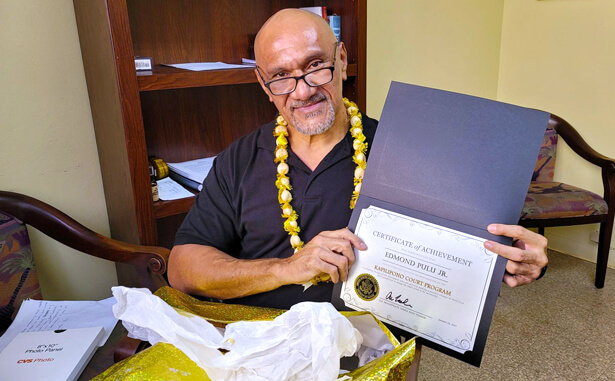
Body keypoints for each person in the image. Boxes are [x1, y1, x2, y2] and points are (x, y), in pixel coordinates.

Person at [167, 9, 548, 310]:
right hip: (256, 343)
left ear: (343, 59)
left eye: (315, 65)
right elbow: (182, 268)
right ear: (264, 85)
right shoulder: (240, 158)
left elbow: (466, 252)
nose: (302, 91)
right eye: (281, 76)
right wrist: (286, 268)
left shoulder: (407, 150)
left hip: (364, 349)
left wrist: (518, 261)